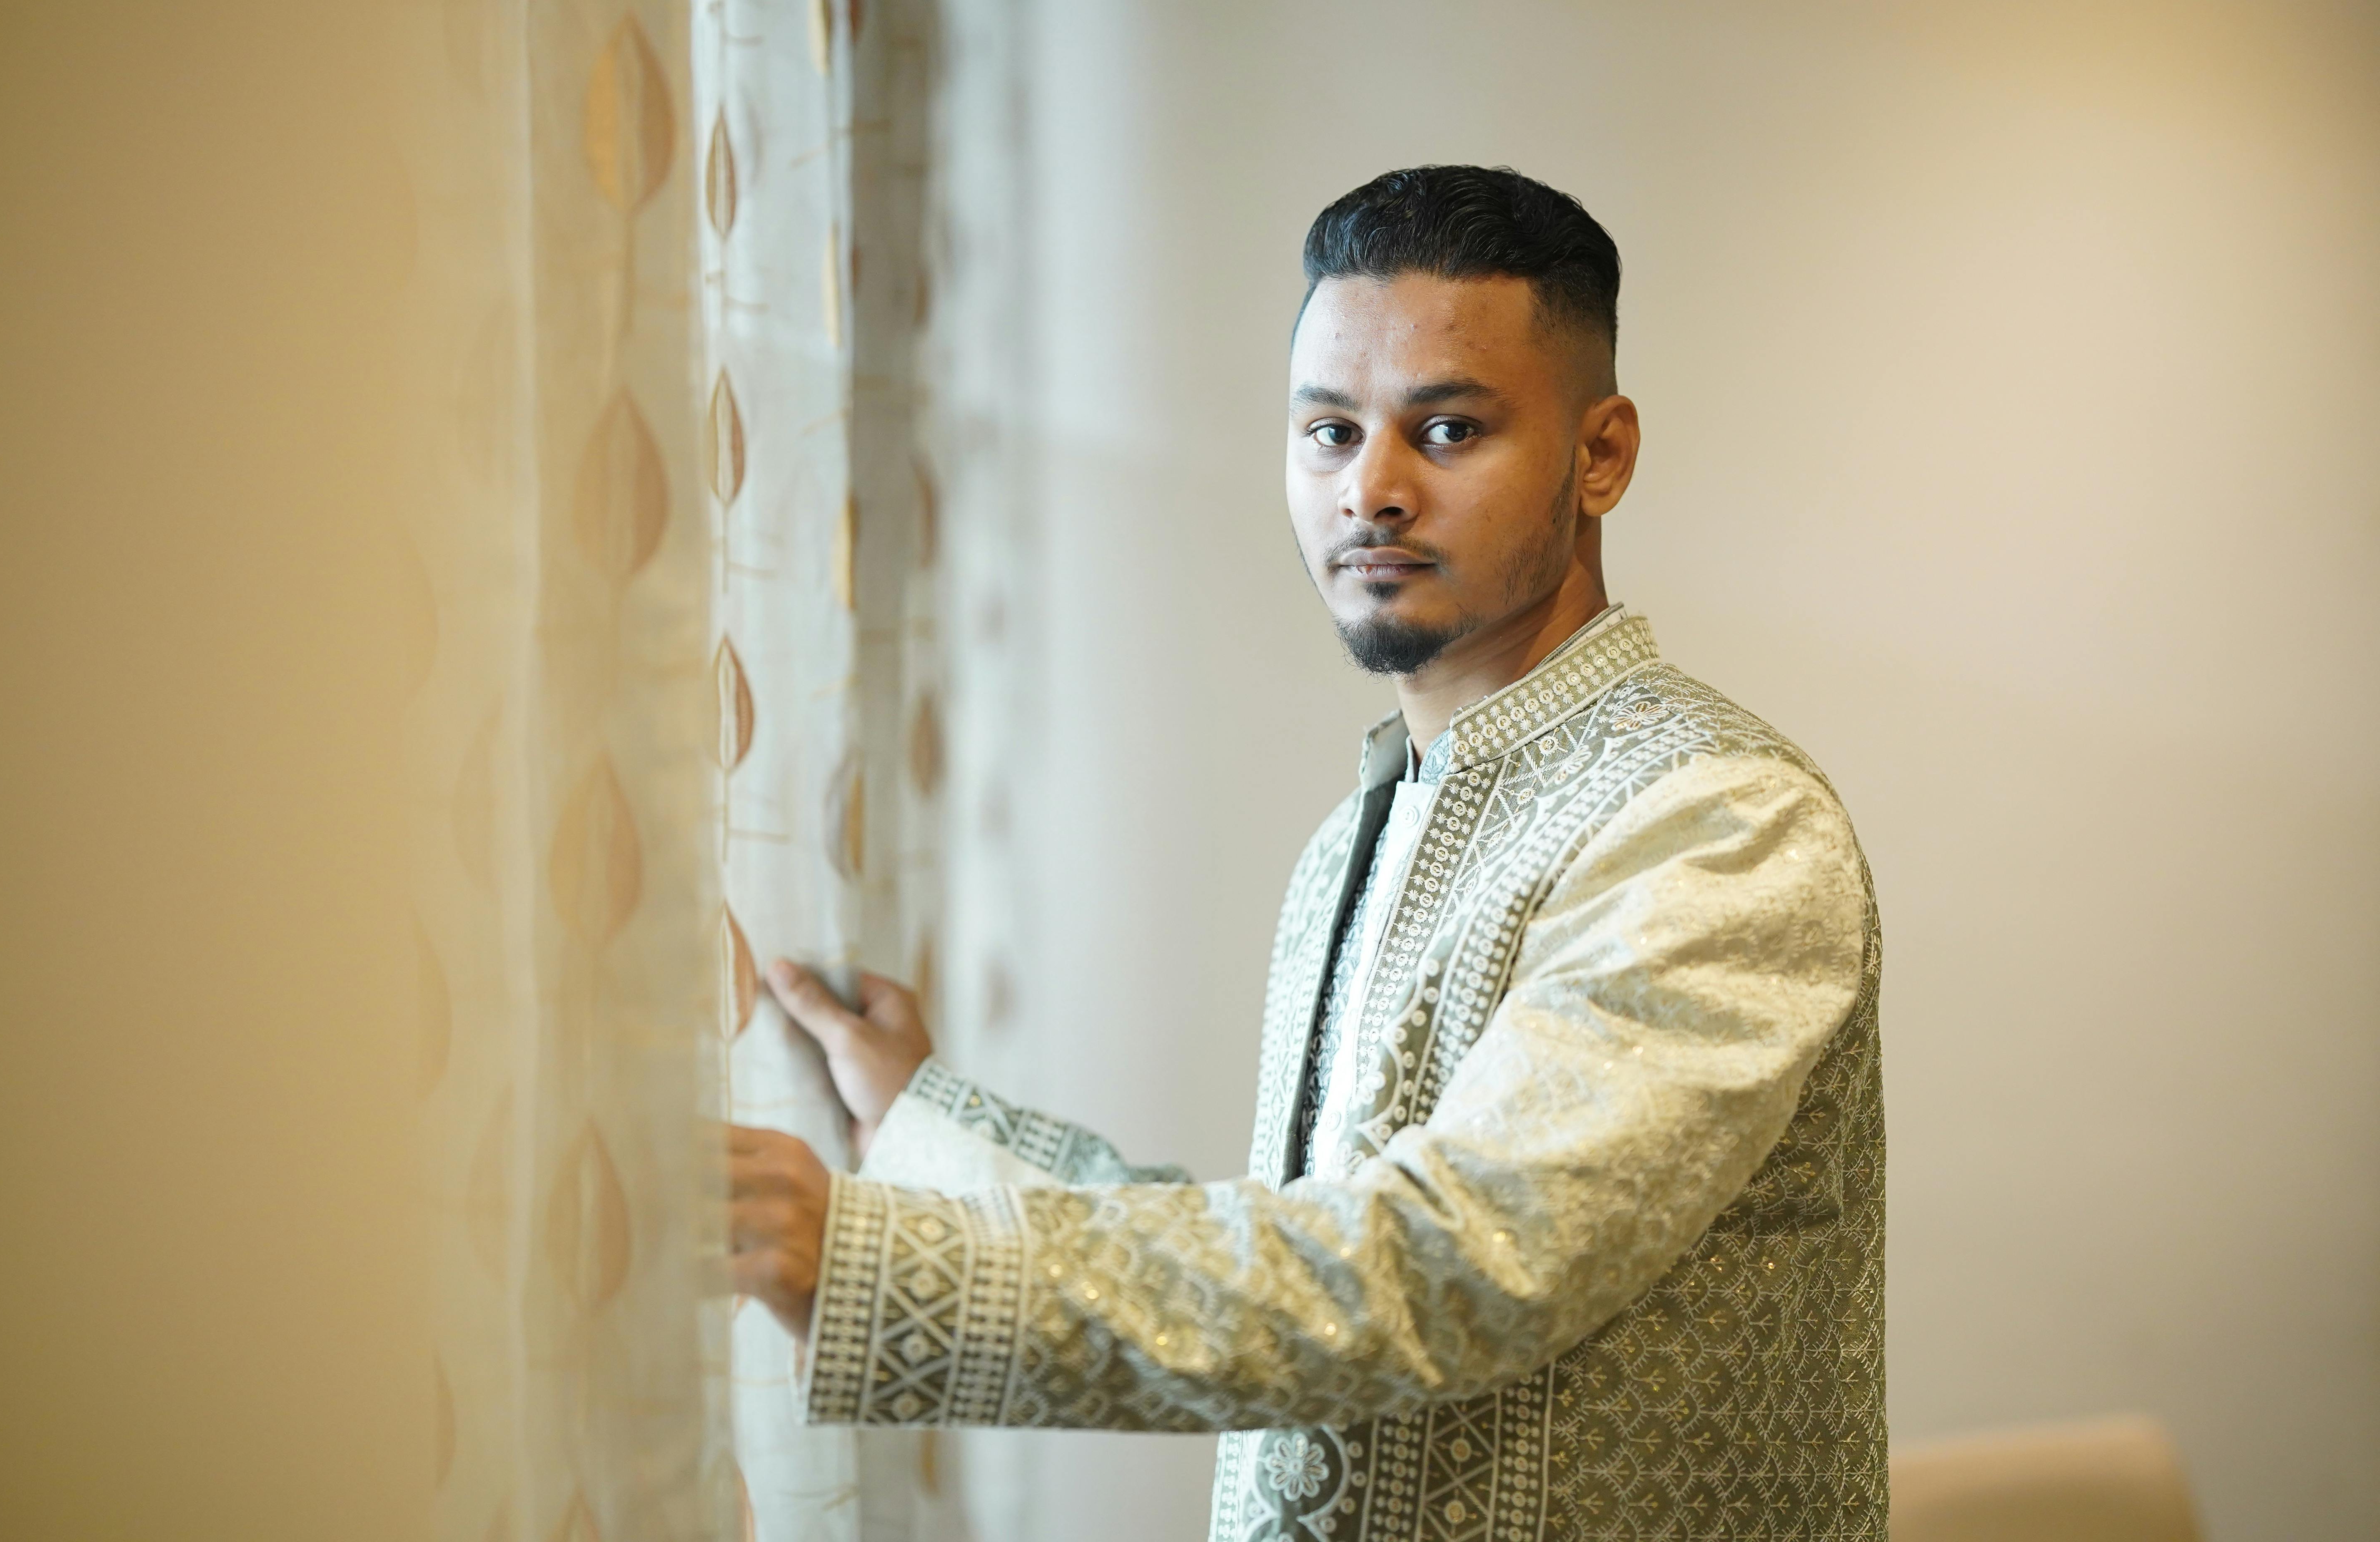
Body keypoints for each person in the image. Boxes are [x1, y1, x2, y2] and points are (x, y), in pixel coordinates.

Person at [724, 165, 1885, 1541]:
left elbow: (1438, 1270)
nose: (1373, 490)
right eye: (1329, 432)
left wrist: (874, 1267)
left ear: (1602, 455)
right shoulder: (1369, 826)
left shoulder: (1722, 826)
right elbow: (1301, 1255)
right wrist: (926, 1121)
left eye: (1447, 431)